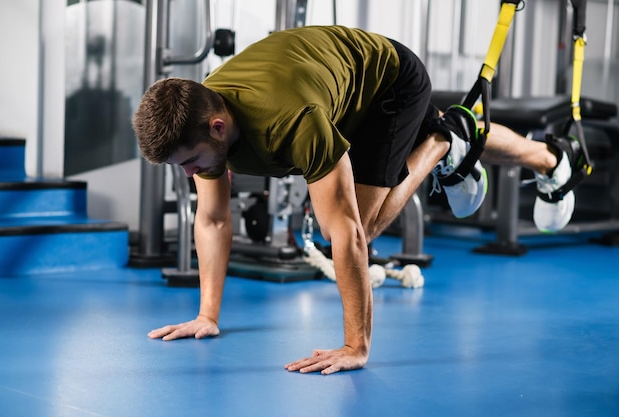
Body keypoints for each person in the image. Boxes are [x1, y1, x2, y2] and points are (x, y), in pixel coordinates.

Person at [133, 25, 583, 374]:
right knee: (351, 214)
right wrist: (206, 315)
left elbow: (347, 235)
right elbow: (211, 220)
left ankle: (441, 144)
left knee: (354, 227)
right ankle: (549, 157)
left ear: (216, 127)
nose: (191, 174)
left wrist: (355, 346)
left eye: (190, 161)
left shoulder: (291, 122)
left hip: (389, 84)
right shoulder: (205, 117)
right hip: (336, 82)